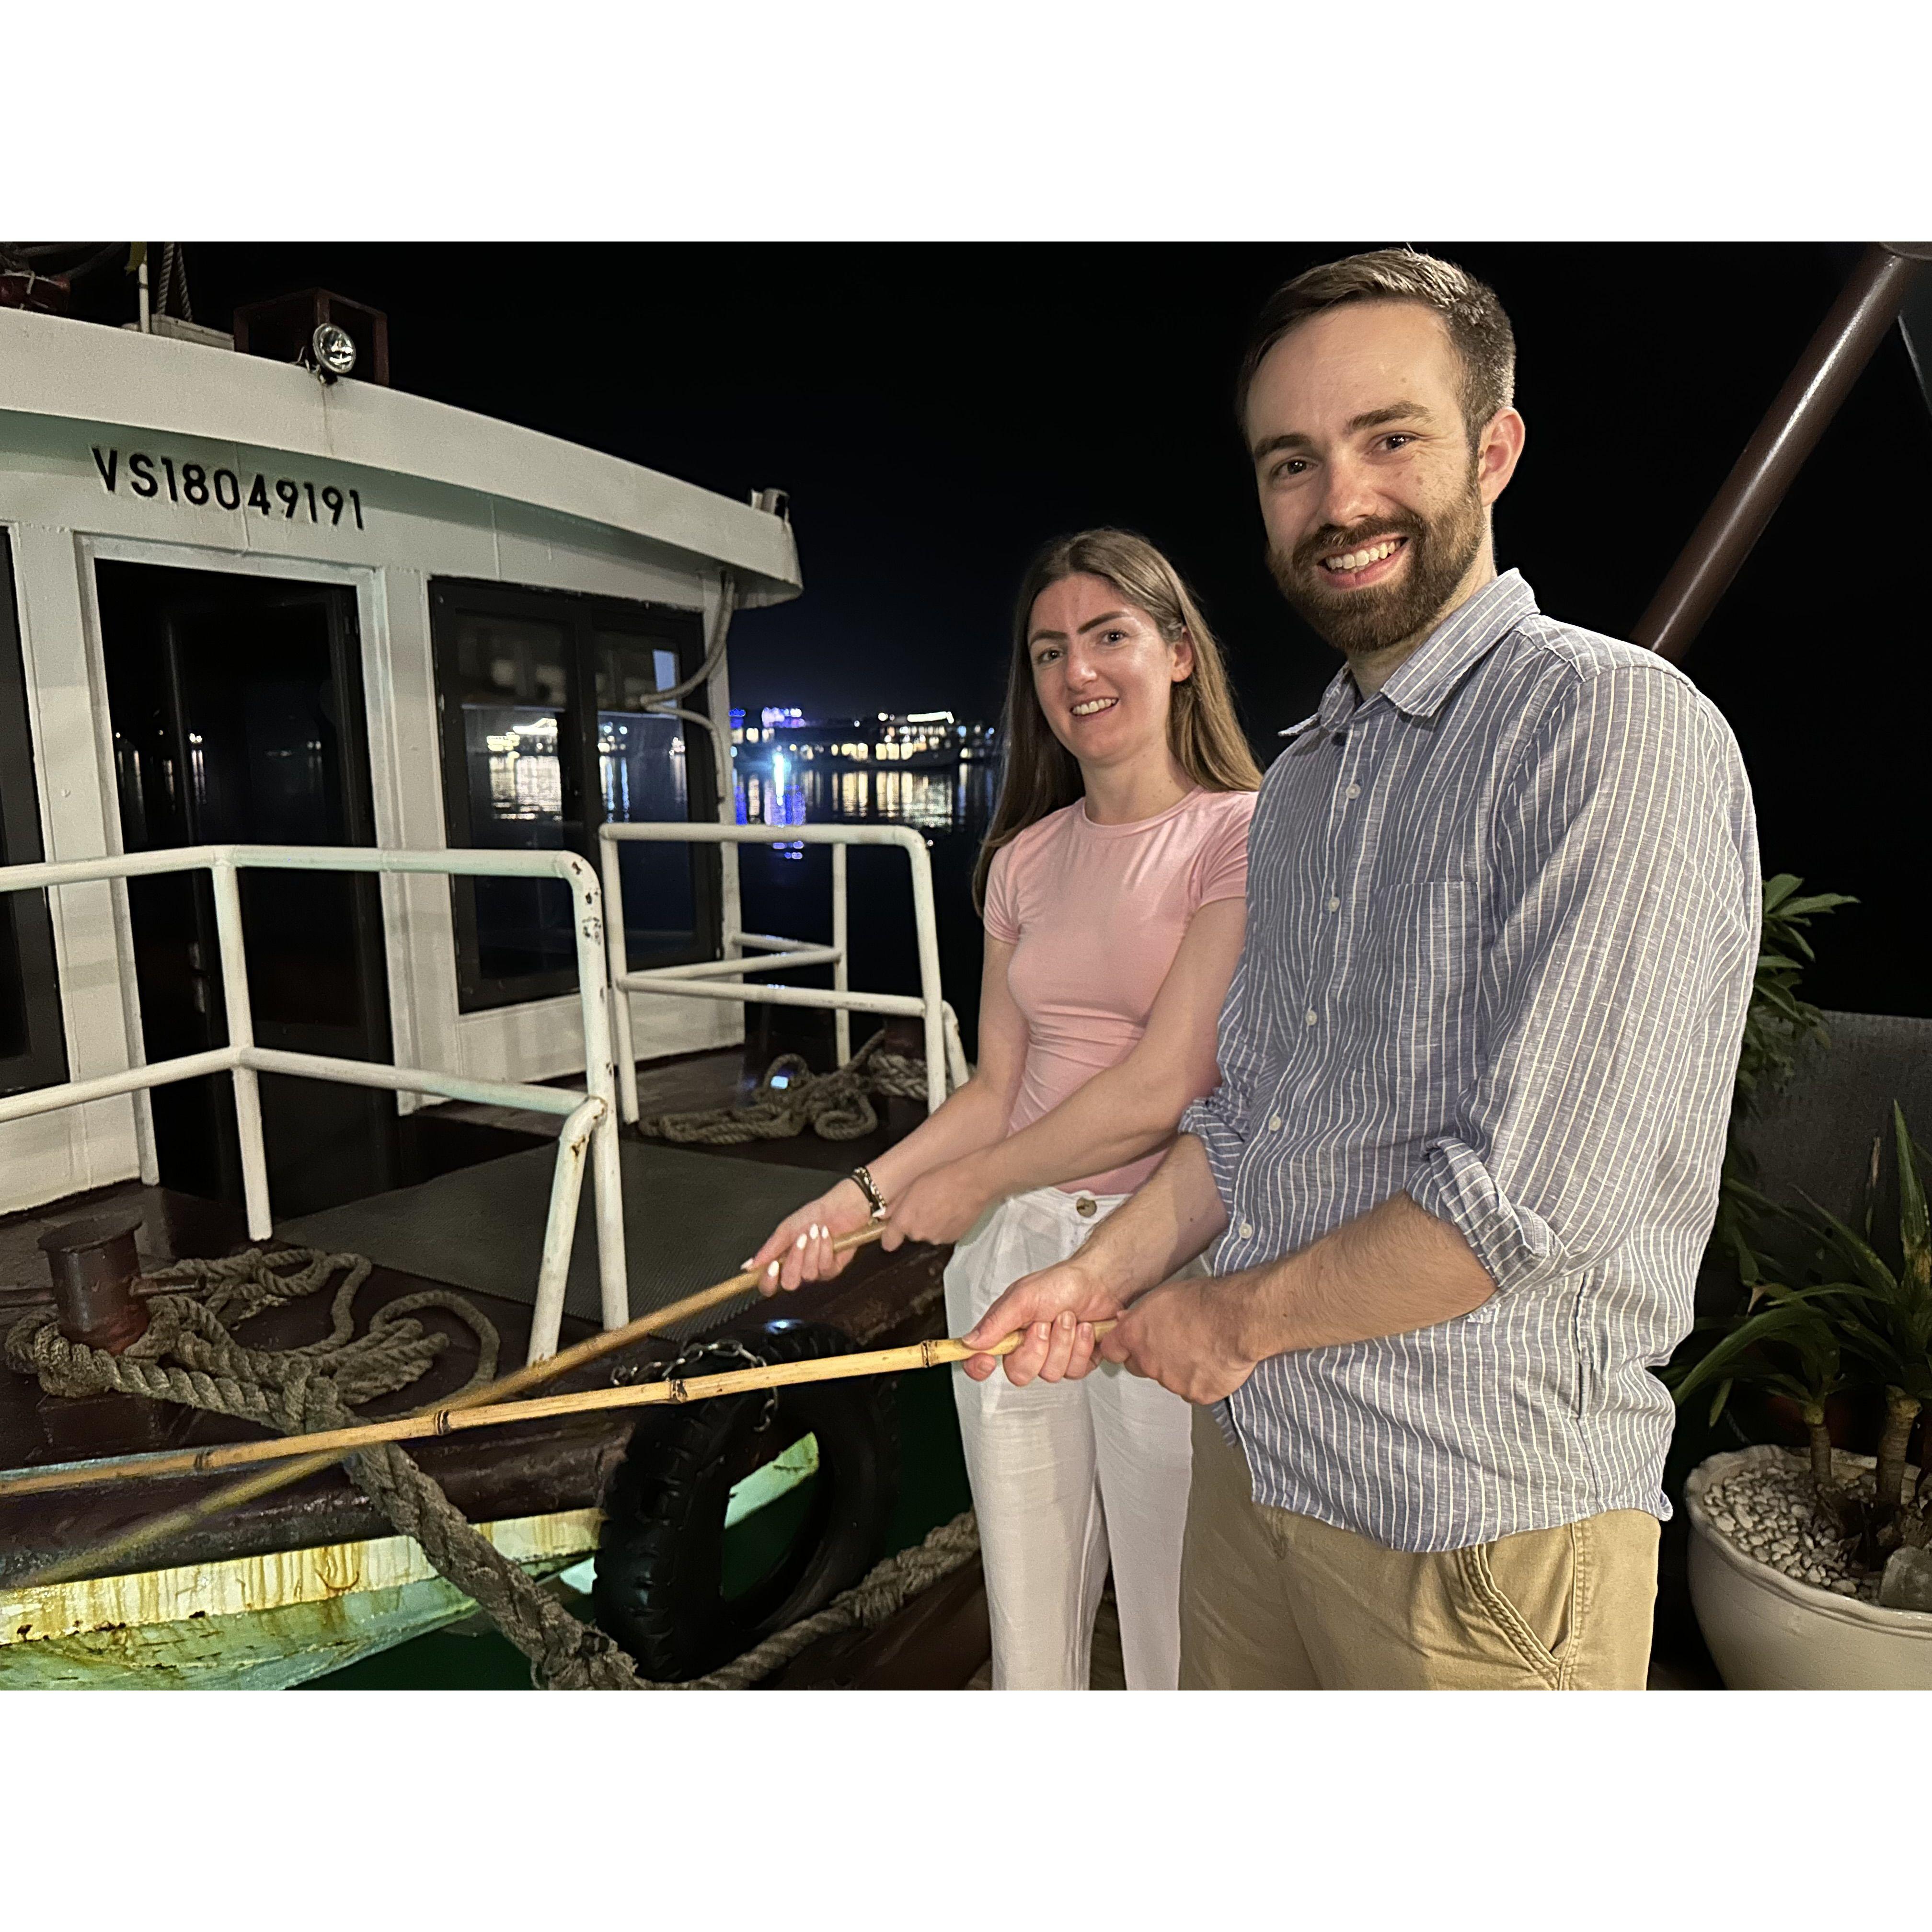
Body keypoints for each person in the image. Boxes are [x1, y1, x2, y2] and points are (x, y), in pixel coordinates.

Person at [964, 250, 1762, 1690]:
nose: (1341, 503)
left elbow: (1521, 1203)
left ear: (1495, 448)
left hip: (1472, 1530)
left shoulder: (1609, 729)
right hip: (1260, 1474)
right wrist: (1096, 1273)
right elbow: (1246, 1114)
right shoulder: (1311, 783)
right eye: (1292, 462)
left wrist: (1221, 1316)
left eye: (1389, 437)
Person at [748, 529, 1262, 1689]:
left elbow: (1169, 1083)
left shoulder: (1240, 833)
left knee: (1175, 1633)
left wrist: (977, 1181)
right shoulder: (1023, 860)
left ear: (1179, 653)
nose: (1078, 672)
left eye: (1109, 636)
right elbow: (994, 1089)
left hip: (1155, 1267)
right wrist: (850, 1202)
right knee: (1029, 1625)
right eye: (1049, 650)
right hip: (1011, 1262)